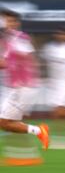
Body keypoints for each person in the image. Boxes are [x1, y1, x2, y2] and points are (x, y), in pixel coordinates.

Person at [0, 9, 49, 158]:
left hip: (22, 86)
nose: (7, 24)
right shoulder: (5, 40)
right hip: (11, 86)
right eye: (5, 20)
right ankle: (22, 154)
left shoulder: (20, 38)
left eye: (11, 21)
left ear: (17, 23)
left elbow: (18, 60)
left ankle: (39, 133)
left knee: (5, 122)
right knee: (7, 123)